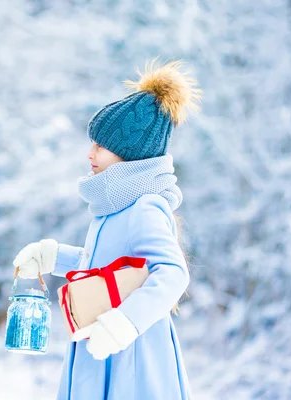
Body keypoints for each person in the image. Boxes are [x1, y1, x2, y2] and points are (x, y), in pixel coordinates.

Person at [12, 59, 202, 400]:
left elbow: (172, 274)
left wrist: (122, 324)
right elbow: (109, 270)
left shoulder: (144, 206)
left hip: (132, 355)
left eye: (100, 145)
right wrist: (52, 257)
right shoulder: (113, 207)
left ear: (129, 153)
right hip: (103, 345)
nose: (90, 154)